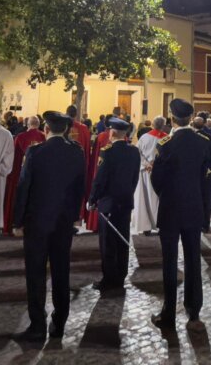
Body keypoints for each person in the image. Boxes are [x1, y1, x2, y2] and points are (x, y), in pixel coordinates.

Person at [13, 111, 86, 342]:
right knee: (61, 270)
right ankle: (59, 322)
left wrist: (18, 220)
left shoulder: (36, 152)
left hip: (37, 221)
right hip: (63, 221)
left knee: (35, 272)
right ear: (65, 130)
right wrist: (75, 215)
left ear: (46, 129)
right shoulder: (76, 153)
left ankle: (37, 325)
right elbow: (79, 187)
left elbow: (24, 187)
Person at [149, 98, 211, 329]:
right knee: (193, 259)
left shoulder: (165, 143)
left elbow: (157, 180)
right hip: (194, 208)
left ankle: (169, 312)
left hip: (170, 209)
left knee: (169, 262)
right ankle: (194, 308)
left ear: (172, 118)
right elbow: (206, 180)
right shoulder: (202, 142)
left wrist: (167, 196)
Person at [88, 117, 140, 292]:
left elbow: (100, 179)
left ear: (113, 132)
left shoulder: (107, 151)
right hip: (125, 202)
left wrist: (93, 199)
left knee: (107, 243)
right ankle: (120, 276)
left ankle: (109, 279)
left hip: (108, 204)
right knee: (122, 240)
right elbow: (134, 179)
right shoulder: (133, 152)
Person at [5, 116, 45, 233]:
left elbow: (15, 157)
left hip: (22, 173)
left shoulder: (20, 137)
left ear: (27, 124)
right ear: (38, 124)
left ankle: (18, 223)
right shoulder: (43, 137)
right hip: (39, 175)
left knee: (21, 198)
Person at [133, 115, 169, 233]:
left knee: (146, 199)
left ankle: (146, 226)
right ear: (163, 125)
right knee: (159, 199)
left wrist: (147, 164)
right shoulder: (168, 139)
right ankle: (160, 224)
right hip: (162, 173)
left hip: (146, 171)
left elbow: (137, 153)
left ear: (153, 125)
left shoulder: (144, 137)